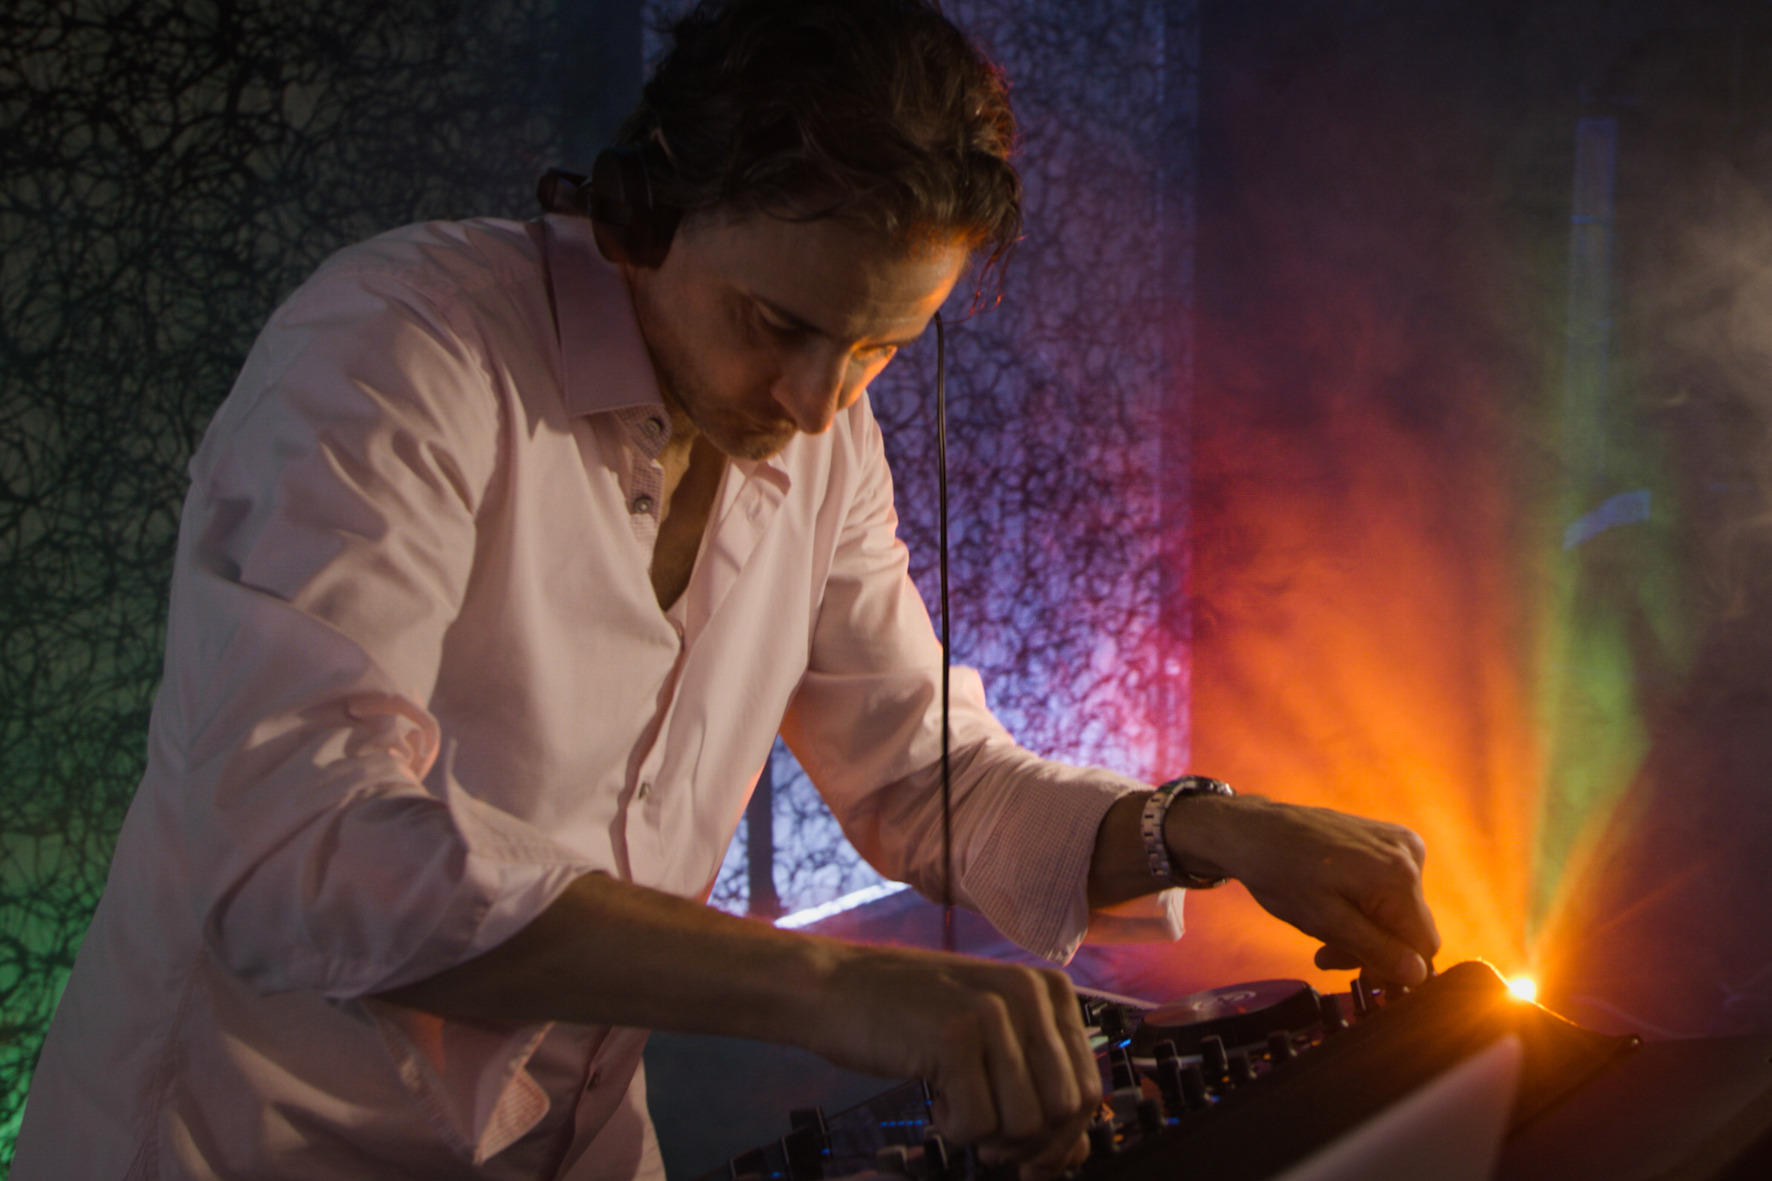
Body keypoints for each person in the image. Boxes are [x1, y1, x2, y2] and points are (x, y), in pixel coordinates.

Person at [12, 1, 1440, 1178]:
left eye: (879, 349)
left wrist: (1202, 827)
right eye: (780, 323)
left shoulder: (823, 438)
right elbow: (301, 845)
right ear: (644, 211)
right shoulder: (400, 353)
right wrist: (832, 990)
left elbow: (926, 776)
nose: (818, 403)